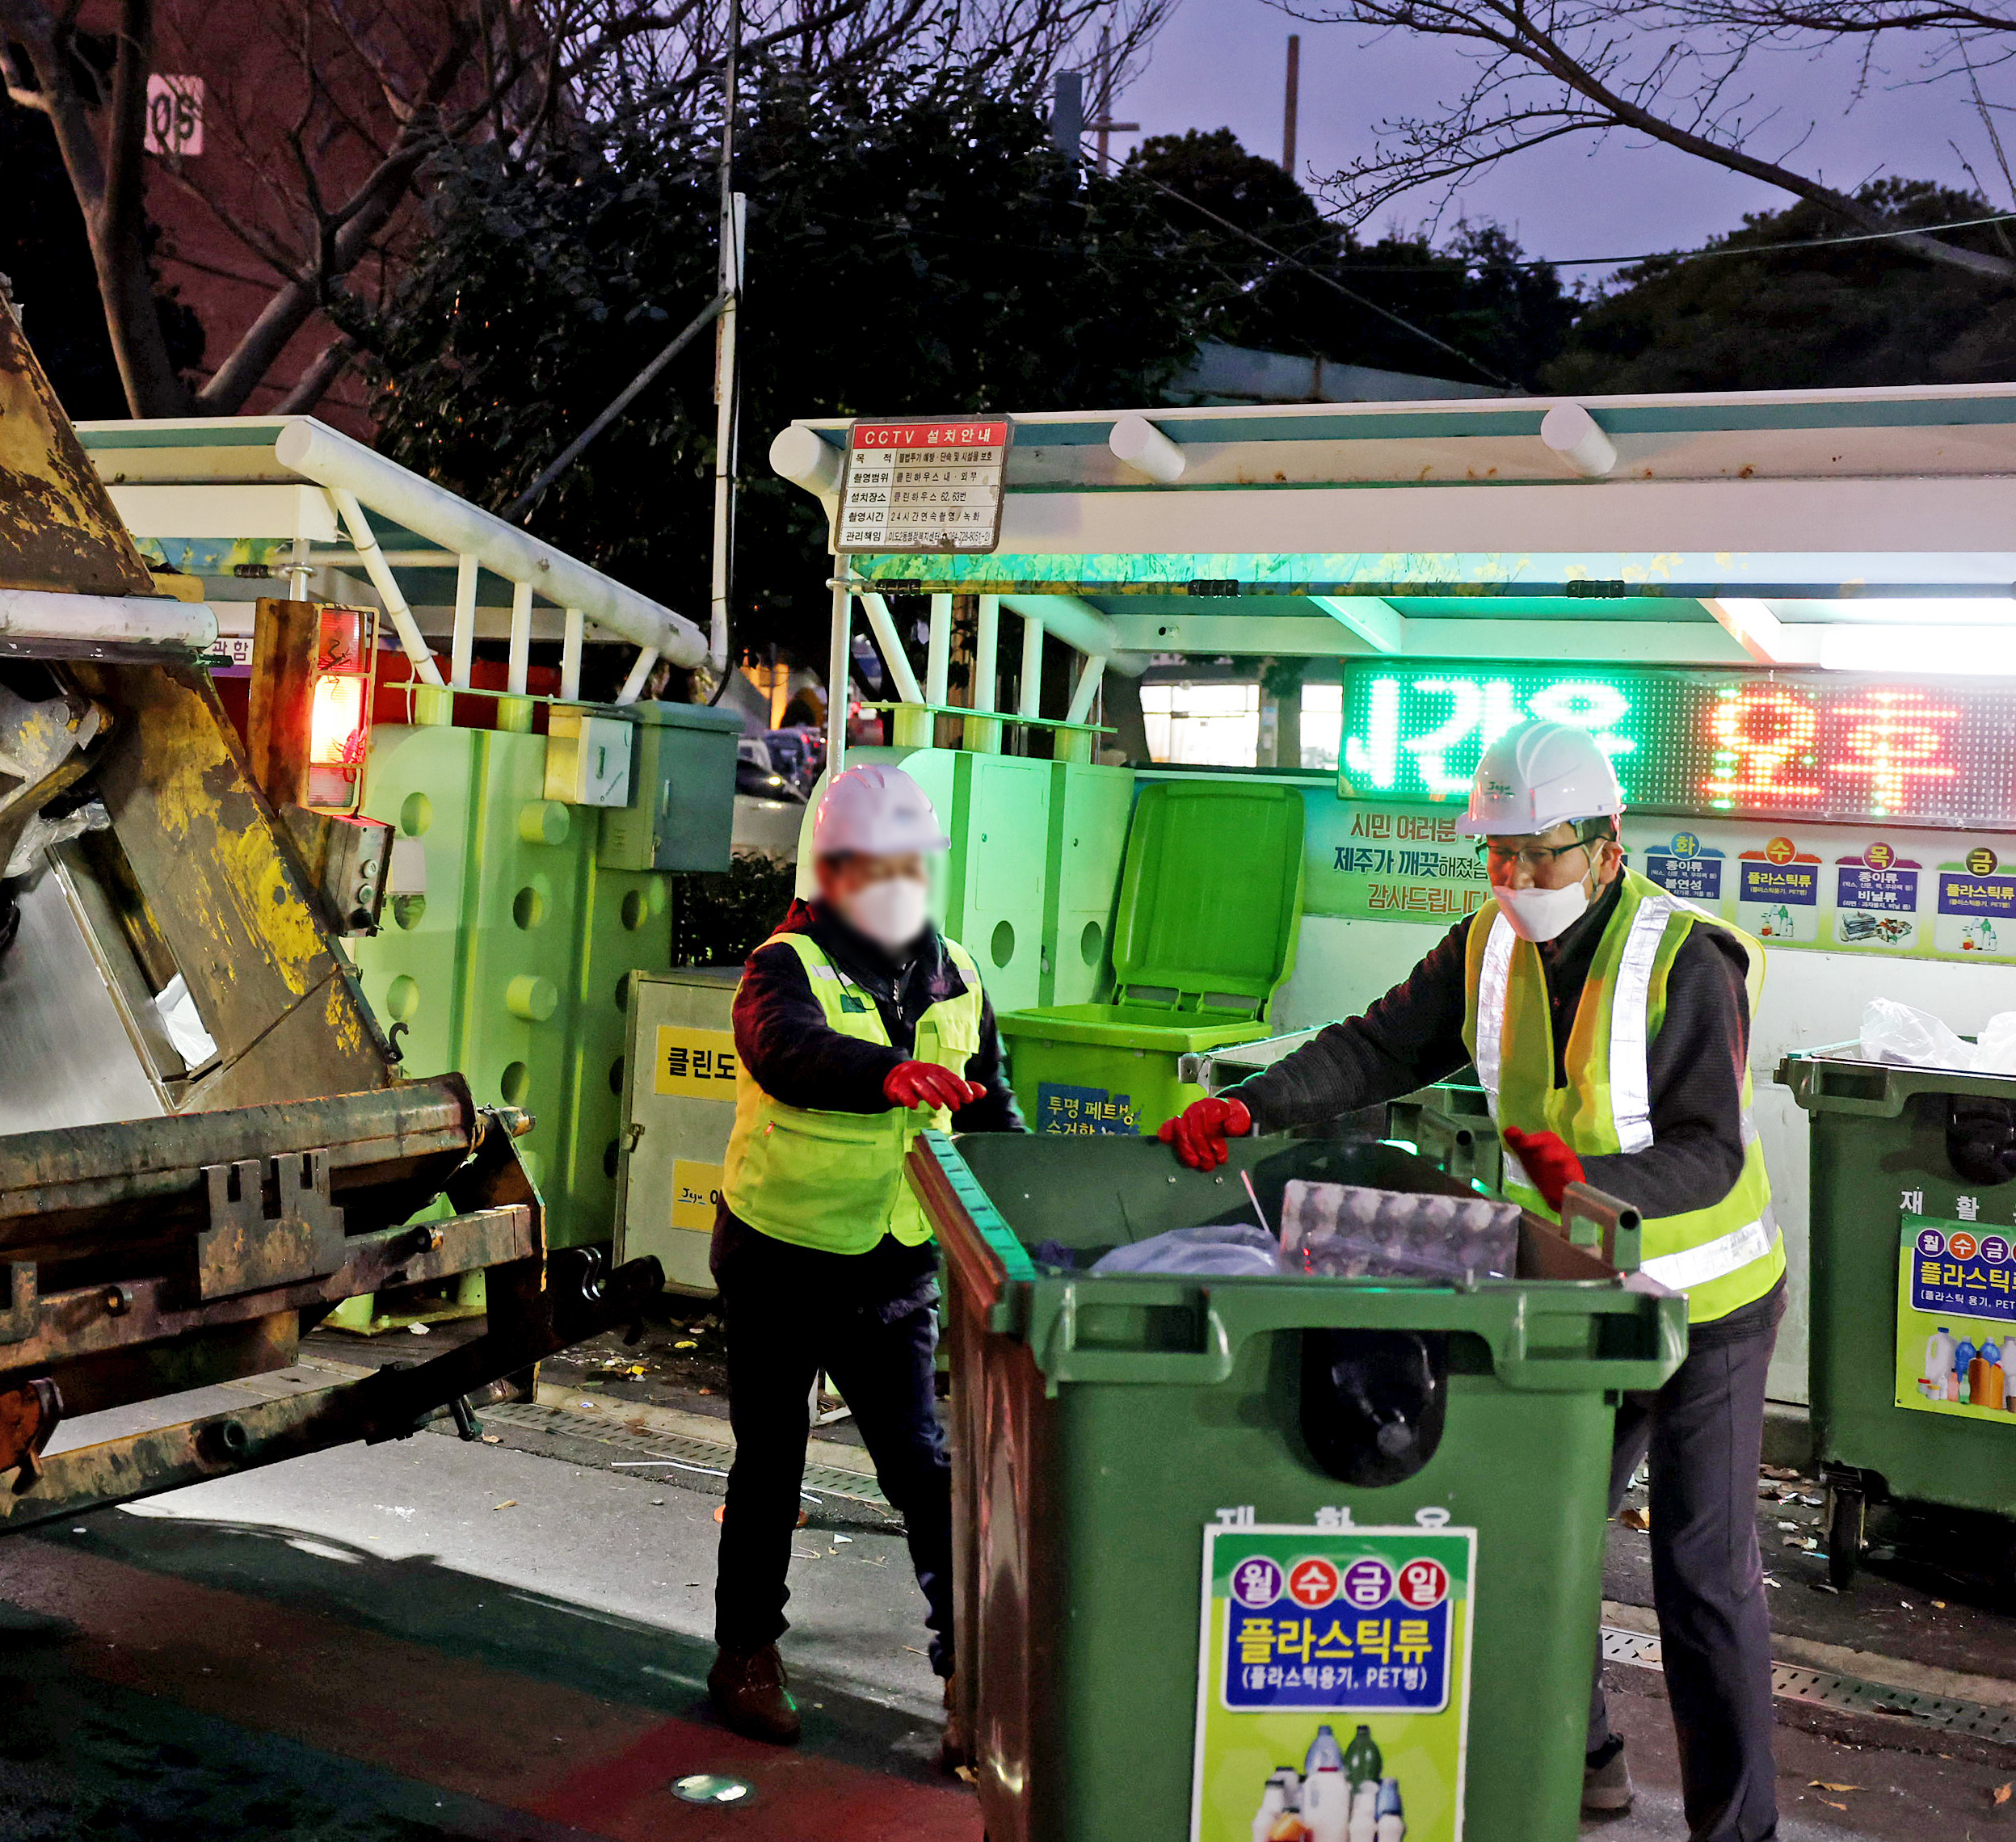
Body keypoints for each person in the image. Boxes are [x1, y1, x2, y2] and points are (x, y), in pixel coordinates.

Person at [1160, 720, 1786, 1842]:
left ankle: (1733, 1833)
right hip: (1574, 1295)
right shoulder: (1484, 945)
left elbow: (1710, 1149)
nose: (1513, 877)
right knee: (1532, 1539)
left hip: (1705, 1308)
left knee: (1700, 1578)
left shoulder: (1685, 959)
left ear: (1603, 846)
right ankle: (1589, 1760)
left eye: (1536, 854)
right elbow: (1374, 1047)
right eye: (1494, 853)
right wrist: (1249, 1102)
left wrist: (1583, 1178)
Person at [705, 760, 1022, 1754]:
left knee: (924, 1471)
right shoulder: (780, 967)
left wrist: (1025, 1205)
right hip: (778, 1256)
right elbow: (786, 1051)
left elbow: (991, 1100)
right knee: (771, 1465)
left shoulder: (958, 971)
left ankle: (967, 1675)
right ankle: (745, 1657)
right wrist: (888, 1074)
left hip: (892, 1262)